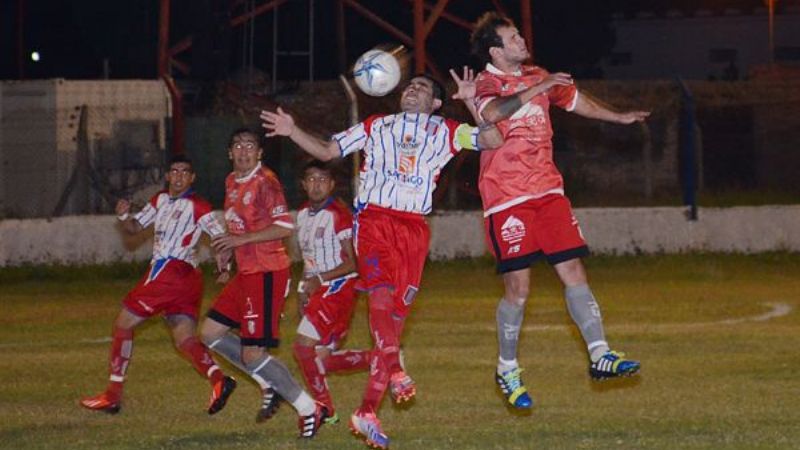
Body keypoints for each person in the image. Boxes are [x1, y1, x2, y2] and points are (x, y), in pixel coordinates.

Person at [260, 72, 503, 449]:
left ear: (436, 103)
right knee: (380, 295)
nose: (413, 90)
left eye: (422, 88)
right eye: (410, 85)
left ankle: (367, 412)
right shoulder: (376, 125)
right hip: (374, 219)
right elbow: (328, 151)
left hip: (414, 231)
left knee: (394, 323)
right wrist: (293, 130)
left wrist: (472, 100)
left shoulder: (447, 131)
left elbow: (493, 139)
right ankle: (397, 371)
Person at [469, 12, 649, 410]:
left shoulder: (537, 74)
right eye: (512, 38)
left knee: (574, 271)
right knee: (518, 289)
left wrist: (617, 116)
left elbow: (575, 100)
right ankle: (507, 367)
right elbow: (491, 114)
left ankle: (600, 354)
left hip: (548, 191)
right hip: (507, 197)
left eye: (519, 35)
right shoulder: (485, 82)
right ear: (496, 51)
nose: (521, 41)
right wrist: (539, 88)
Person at [80, 155, 236, 415]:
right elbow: (134, 228)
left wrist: (224, 267)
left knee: (123, 324)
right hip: (188, 279)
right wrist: (123, 215)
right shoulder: (159, 200)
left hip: (170, 271)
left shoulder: (198, 206)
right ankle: (219, 380)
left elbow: (221, 237)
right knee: (184, 338)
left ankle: (112, 395)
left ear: (192, 178)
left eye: (184, 172)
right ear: (167, 176)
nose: (178, 176)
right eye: (174, 171)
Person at [198, 128, 327, 438]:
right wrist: (227, 252)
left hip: (267, 273)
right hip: (246, 273)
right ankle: (266, 380)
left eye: (250, 146)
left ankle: (310, 408)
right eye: (238, 146)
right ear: (230, 152)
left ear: (259, 153)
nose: (243, 151)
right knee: (210, 333)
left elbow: (284, 227)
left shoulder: (265, 182)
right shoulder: (231, 181)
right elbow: (237, 227)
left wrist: (240, 240)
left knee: (253, 354)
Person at [292, 160, 371, 426]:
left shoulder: (339, 215)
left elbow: (354, 262)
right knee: (319, 361)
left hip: (338, 289)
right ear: (303, 184)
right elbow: (308, 260)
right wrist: (302, 290)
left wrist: (320, 280)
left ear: (332, 184)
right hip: (319, 289)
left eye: (322, 180)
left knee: (302, 347)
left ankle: (324, 408)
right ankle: (382, 359)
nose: (317, 185)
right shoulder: (302, 214)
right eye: (311, 179)